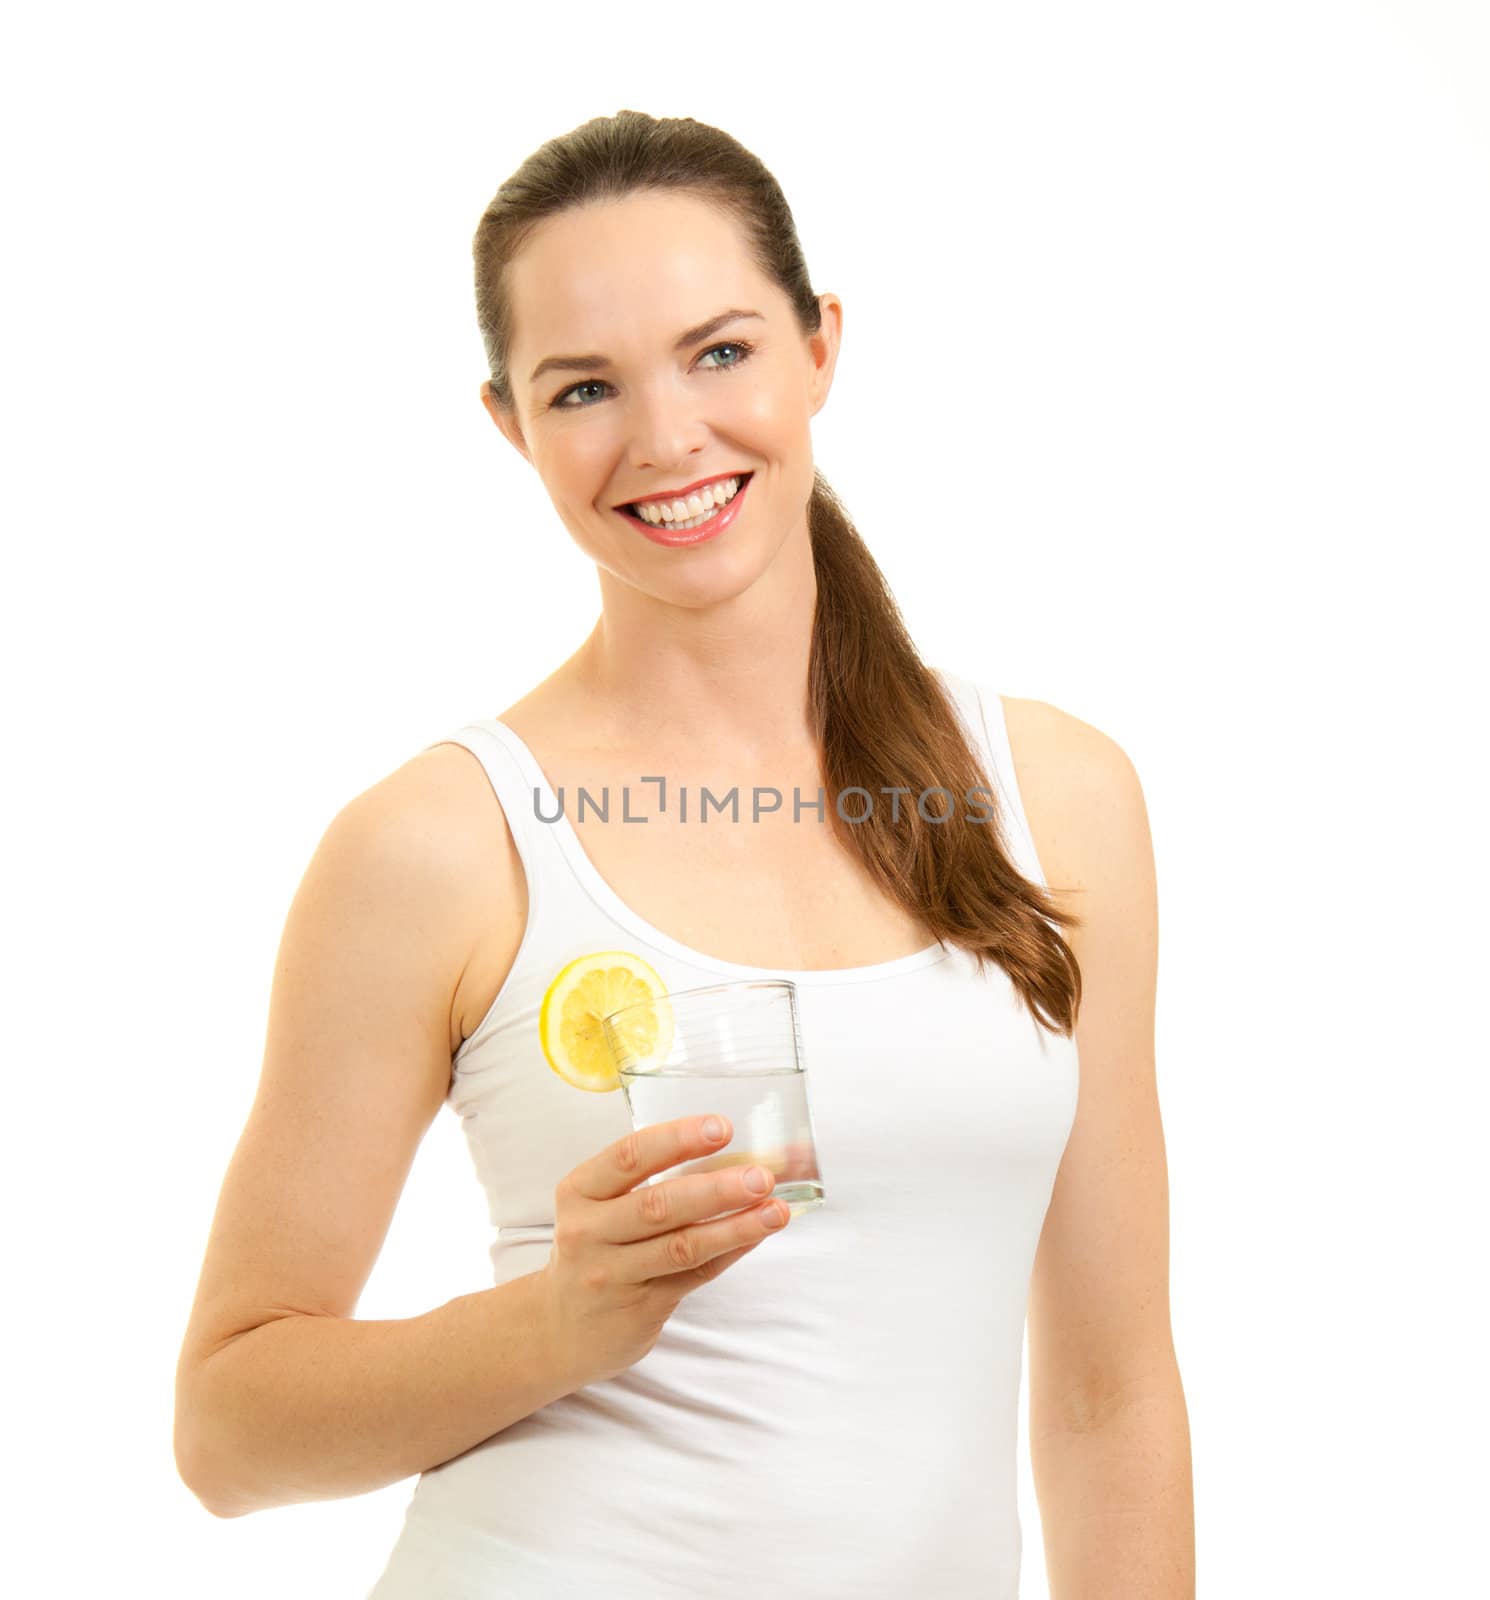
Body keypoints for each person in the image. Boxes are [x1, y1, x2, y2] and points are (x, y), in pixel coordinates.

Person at [172, 109, 1194, 1597]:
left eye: (720, 352)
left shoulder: (1054, 794)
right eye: (584, 387)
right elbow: (226, 1434)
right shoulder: (438, 848)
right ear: (510, 424)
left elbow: (1114, 1398)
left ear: (819, 345)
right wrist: (559, 1320)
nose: (666, 440)